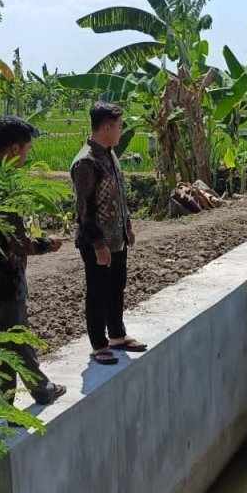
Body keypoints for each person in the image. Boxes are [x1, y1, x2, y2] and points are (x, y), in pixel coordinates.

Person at [0, 115, 67, 405]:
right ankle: (4, 404)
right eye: (26, 151)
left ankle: (40, 390)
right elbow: (18, 243)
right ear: (13, 150)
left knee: (13, 333)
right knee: (9, 339)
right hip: (5, 275)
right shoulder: (0, 188)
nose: (25, 158)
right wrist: (48, 243)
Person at [72, 101, 147, 365]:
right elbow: (84, 210)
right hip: (98, 242)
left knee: (117, 286)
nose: (121, 130)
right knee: (98, 291)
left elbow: (119, 195)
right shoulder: (86, 162)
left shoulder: (109, 154)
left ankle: (117, 334)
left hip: (117, 238)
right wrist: (98, 244)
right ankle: (98, 344)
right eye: (118, 126)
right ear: (105, 127)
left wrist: (127, 226)